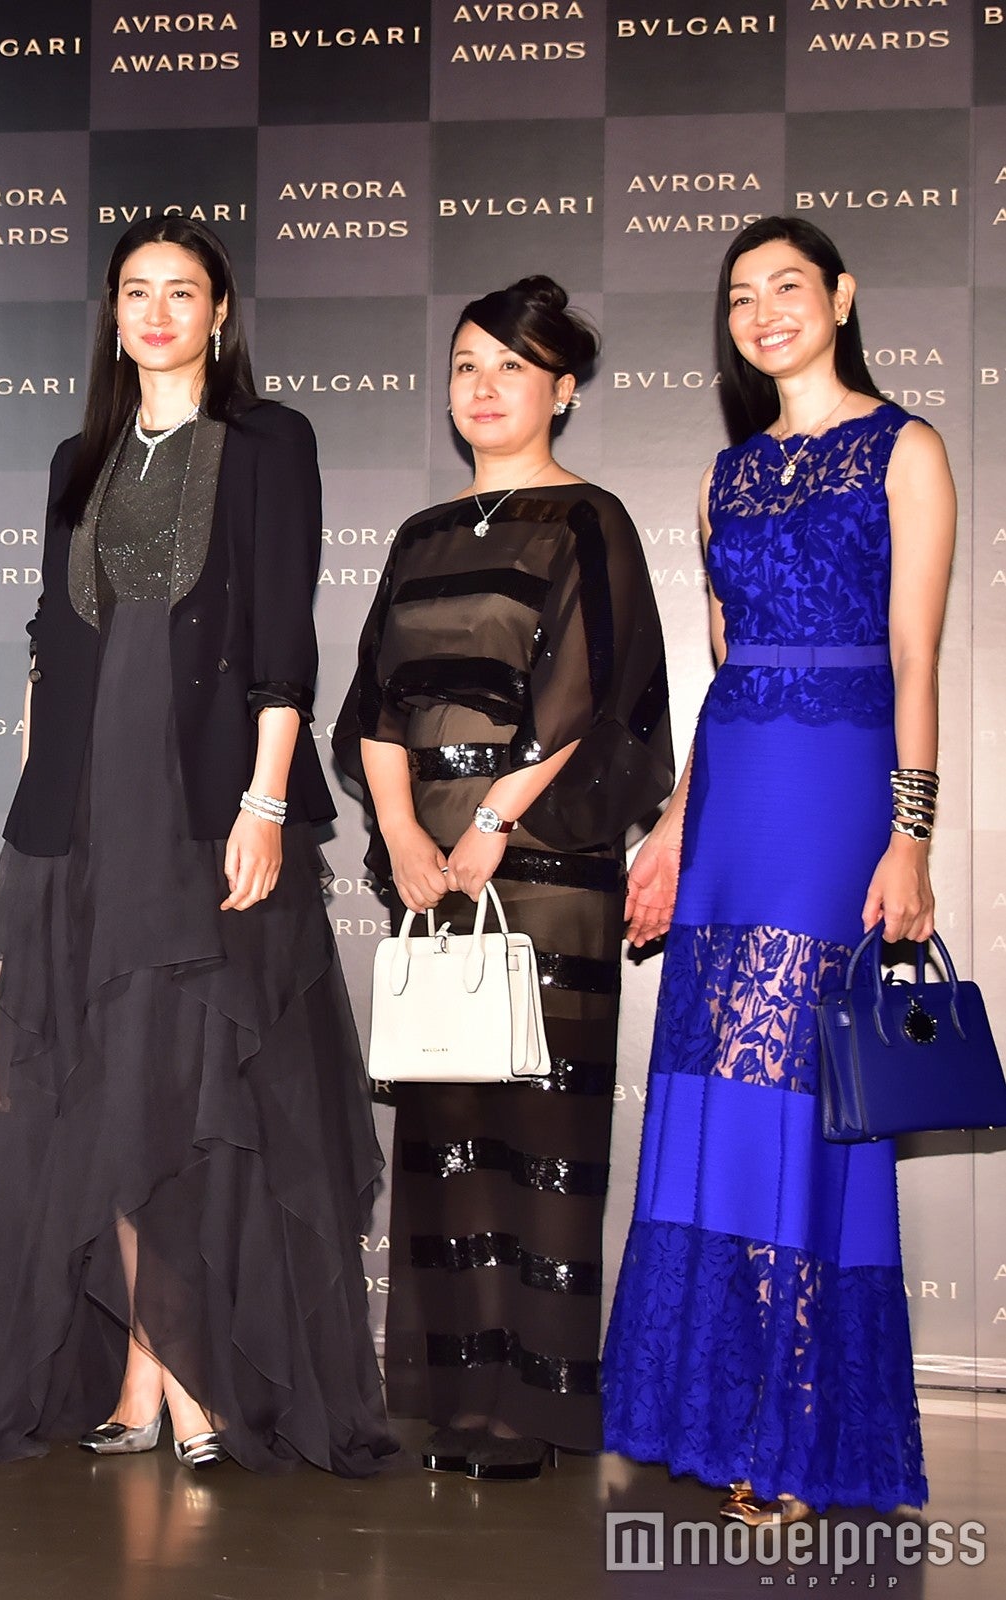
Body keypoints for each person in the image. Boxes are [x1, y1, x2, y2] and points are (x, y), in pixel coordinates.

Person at [0, 215, 396, 1476]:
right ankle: (149, 1368)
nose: (155, 312)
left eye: (180, 291)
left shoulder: (268, 442)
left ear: (220, 312)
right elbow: (50, 642)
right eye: (135, 291)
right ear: (112, 311)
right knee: (109, 1081)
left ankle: (182, 1370)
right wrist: (35, 822)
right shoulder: (75, 459)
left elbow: (283, 635)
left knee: (191, 1081)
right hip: (84, 809)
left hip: (202, 800)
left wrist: (264, 803)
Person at [601, 217, 955, 1520]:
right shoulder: (725, 477)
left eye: (788, 286)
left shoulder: (906, 449)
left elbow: (915, 660)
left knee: (796, 1087)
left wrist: (910, 834)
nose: (764, 312)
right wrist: (674, 825)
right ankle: (706, 1408)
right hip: (737, 795)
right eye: (742, 294)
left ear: (841, 297)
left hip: (837, 791)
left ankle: (793, 1430)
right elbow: (725, 669)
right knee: (713, 1085)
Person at [334, 276, 673, 1481]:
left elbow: (588, 694)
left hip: (542, 860)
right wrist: (403, 836)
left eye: (513, 368)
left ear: (562, 390)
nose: (484, 388)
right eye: (467, 366)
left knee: (539, 1129)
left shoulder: (589, 520)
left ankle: (534, 1404)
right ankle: (455, 1390)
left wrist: (488, 820)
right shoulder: (420, 536)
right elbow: (376, 708)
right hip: (430, 866)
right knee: (449, 1129)